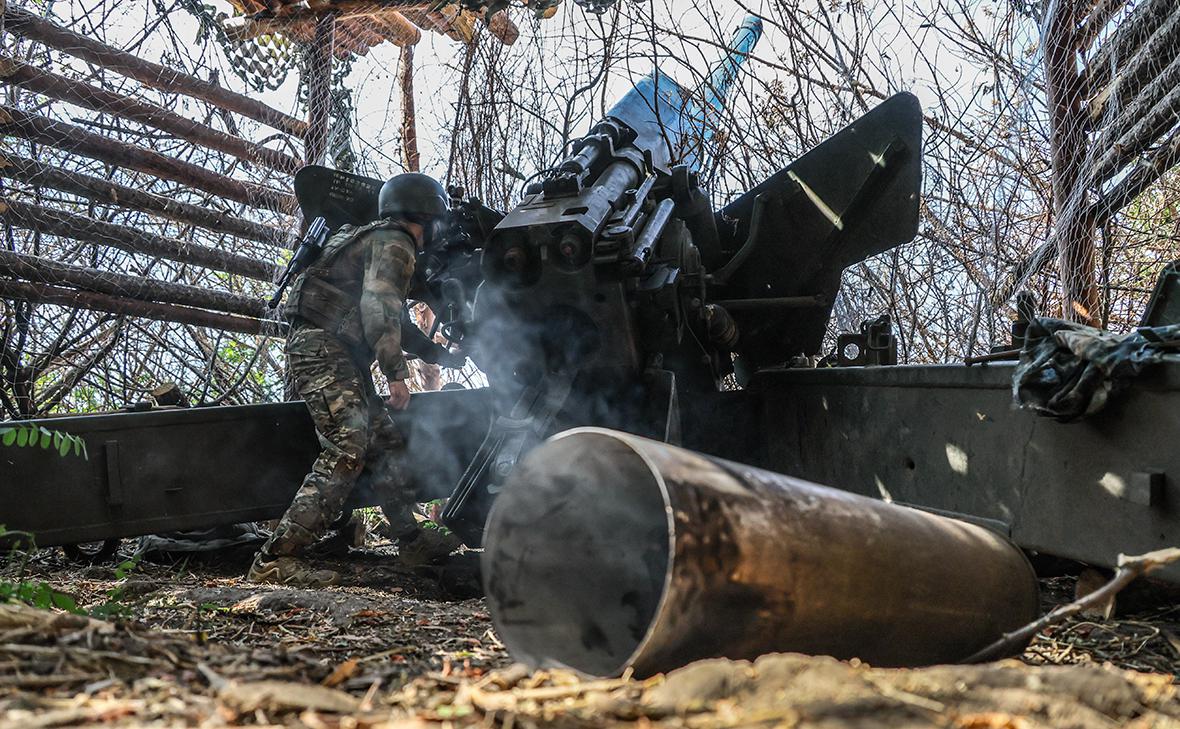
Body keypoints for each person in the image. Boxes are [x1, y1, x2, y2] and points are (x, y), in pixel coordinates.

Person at [248, 173, 463, 587]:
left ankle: (412, 540)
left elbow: (395, 319)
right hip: (324, 347)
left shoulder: (374, 237)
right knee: (348, 445)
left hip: (333, 348)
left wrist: (439, 356)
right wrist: (397, 374)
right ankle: (276, 557)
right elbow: (379, 308)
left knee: (384, 443)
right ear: (428, 215)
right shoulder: (396, 242)